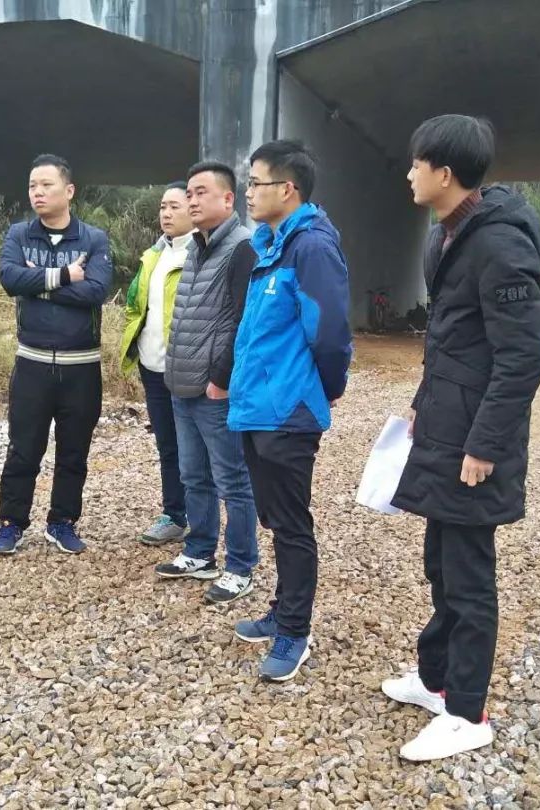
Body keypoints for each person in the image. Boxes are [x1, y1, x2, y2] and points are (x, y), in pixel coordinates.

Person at [383, 115, 540, 761]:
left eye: (416, 163)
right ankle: (437, 679)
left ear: (444, 173)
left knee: (469, 576)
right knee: (441, 562)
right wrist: (422, 405)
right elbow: (452, 341)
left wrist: (485, 446)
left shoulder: (500, 245)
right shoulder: (446, 235)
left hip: (475, 441)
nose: (408, 173)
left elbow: (521, 359)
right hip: (445, 426)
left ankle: (467, 713)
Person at [228, 140, 353, 681]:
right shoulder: (269, 247)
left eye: (256, 183)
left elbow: (330, 333)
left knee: (292, 523)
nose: (248, 192)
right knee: (275, 519)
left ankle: (295, 632)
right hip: (257, 408)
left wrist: (324, 389)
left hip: (287, 413)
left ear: (288, 189)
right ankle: (281, 611)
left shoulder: (312, 248)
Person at [0, 154, 113, 555]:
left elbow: (96, 291)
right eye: (32, 186)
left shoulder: (93, 239)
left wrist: (38, 285)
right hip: (33, 363)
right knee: (23, 448)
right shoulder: (19, 234)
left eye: (46, 185)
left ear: (69, 190)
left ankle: (62, 521)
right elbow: (10, 278)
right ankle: (11, 523)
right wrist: (61, 276)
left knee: (74, 451)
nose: (37, 192)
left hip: (81, 365)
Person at [156, 161, 260, 604]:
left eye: (201, 192)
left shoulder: (242, 248)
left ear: (228, 199)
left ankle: (240, 565)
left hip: (215, 390)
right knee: (193, 476)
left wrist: (222, 378)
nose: (192, 201)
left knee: (233, 480)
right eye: (190, 193)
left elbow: (242, 321)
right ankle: (200, 552)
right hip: (182, 384)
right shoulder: (197, 246)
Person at [118, 181, 194, 545]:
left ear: (193, 209)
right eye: (163, 206)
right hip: (152, 366)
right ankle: (174, 514)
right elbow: (137, 303)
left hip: (187, 367)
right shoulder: (154, 254)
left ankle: (202, 517)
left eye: (175, 206)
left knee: (195, 447)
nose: (166, 213)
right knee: (167, 444)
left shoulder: (200, 254)